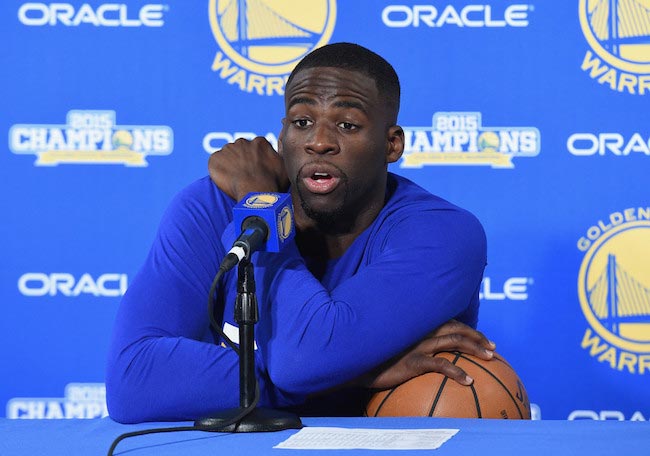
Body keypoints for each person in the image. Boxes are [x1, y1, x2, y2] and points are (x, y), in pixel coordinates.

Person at [106, 42, 492, 423]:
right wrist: (353, 374)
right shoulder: (213, 206)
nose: (318, 142)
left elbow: (301, 362)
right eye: (302, 122)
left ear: (392, 144)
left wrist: (261, 207)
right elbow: (132, 381)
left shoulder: (442, 233)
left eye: (347, 125)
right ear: (282, 135)